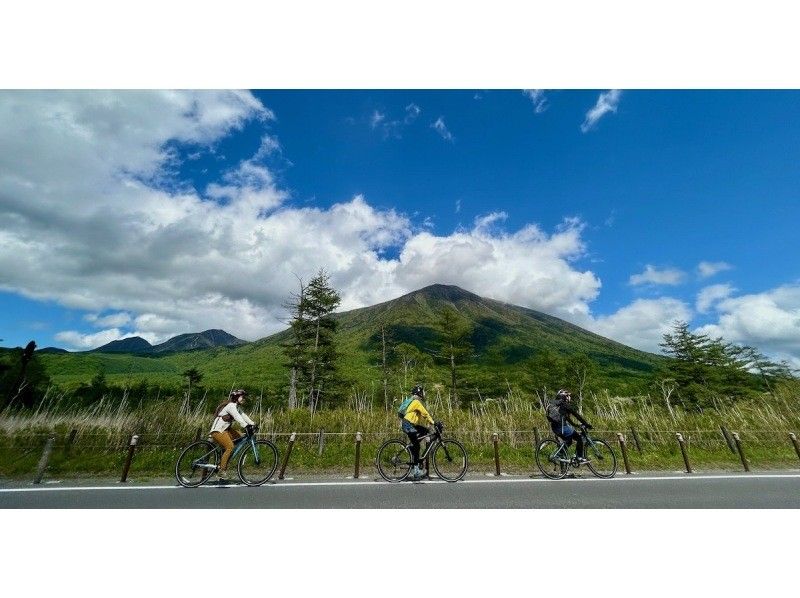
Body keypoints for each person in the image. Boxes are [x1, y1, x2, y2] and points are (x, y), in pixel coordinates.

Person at [210, 389, 256, 481]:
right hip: (218, 431)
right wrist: (246, 426)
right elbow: (237, 417)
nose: (244, 399)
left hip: (226, 430)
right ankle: (222, 471)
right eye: (242, 397)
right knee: (230, 447)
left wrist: (253, 424)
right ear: (236, 397)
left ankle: (223, 460)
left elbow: (243, 415)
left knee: (241, 436)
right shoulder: (231, 406)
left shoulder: (237, 407)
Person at [545, 389, 592, 464]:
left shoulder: (559, 406)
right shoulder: (565, 405)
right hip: (562, 428)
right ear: (565, 396)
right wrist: (586, 424)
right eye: (568, 396)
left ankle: (559, 455)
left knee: (569, 441)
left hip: (555, 428)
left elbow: (567, 418)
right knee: (579, 438)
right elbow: (576, 415)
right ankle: (579, 457)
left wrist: (575, 425)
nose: (569, 397)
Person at [399, 385, 436, 480]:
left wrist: (429, 424)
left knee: (425, 430)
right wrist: (433, 422)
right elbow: (425, 413)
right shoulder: (416, 402)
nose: (423, 394)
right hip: (408, 424)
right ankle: (415, 471)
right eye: (422, 393)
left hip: (410, 424)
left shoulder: (413, 401)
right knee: (417, 446)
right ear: (419, 393)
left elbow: (421, 416)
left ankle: (412, 449)